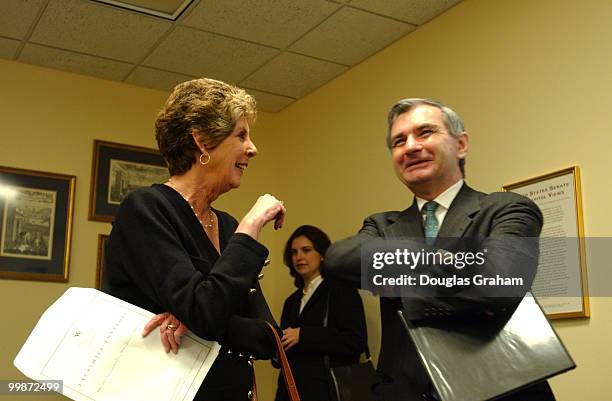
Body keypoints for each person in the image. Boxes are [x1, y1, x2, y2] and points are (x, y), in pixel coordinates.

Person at [323, 98, 555, 401]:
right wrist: (449, 261)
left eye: (425, 132)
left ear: (461, 144)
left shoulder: (507, 209)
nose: (410, 147)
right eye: (398, 141)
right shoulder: (381, 225)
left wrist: (400, 274)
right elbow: (337, 261)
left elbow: (500, 282)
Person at [103, 77, 286, 401]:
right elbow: (205, 311)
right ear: (202, 142)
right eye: (241, 135)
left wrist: (198, 321)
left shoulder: (226, 226)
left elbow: (269, 336)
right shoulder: (146, 209)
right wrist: (253, 223)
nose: (252, 149)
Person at [275, 225, 367, 401]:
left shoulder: (341, 290)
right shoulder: (291, 301)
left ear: (323, 254)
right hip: (290, 392)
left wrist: (304, 335)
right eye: (294, 252)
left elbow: (356, 341)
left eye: (306, 250)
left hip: (328, 391)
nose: (299, 257)